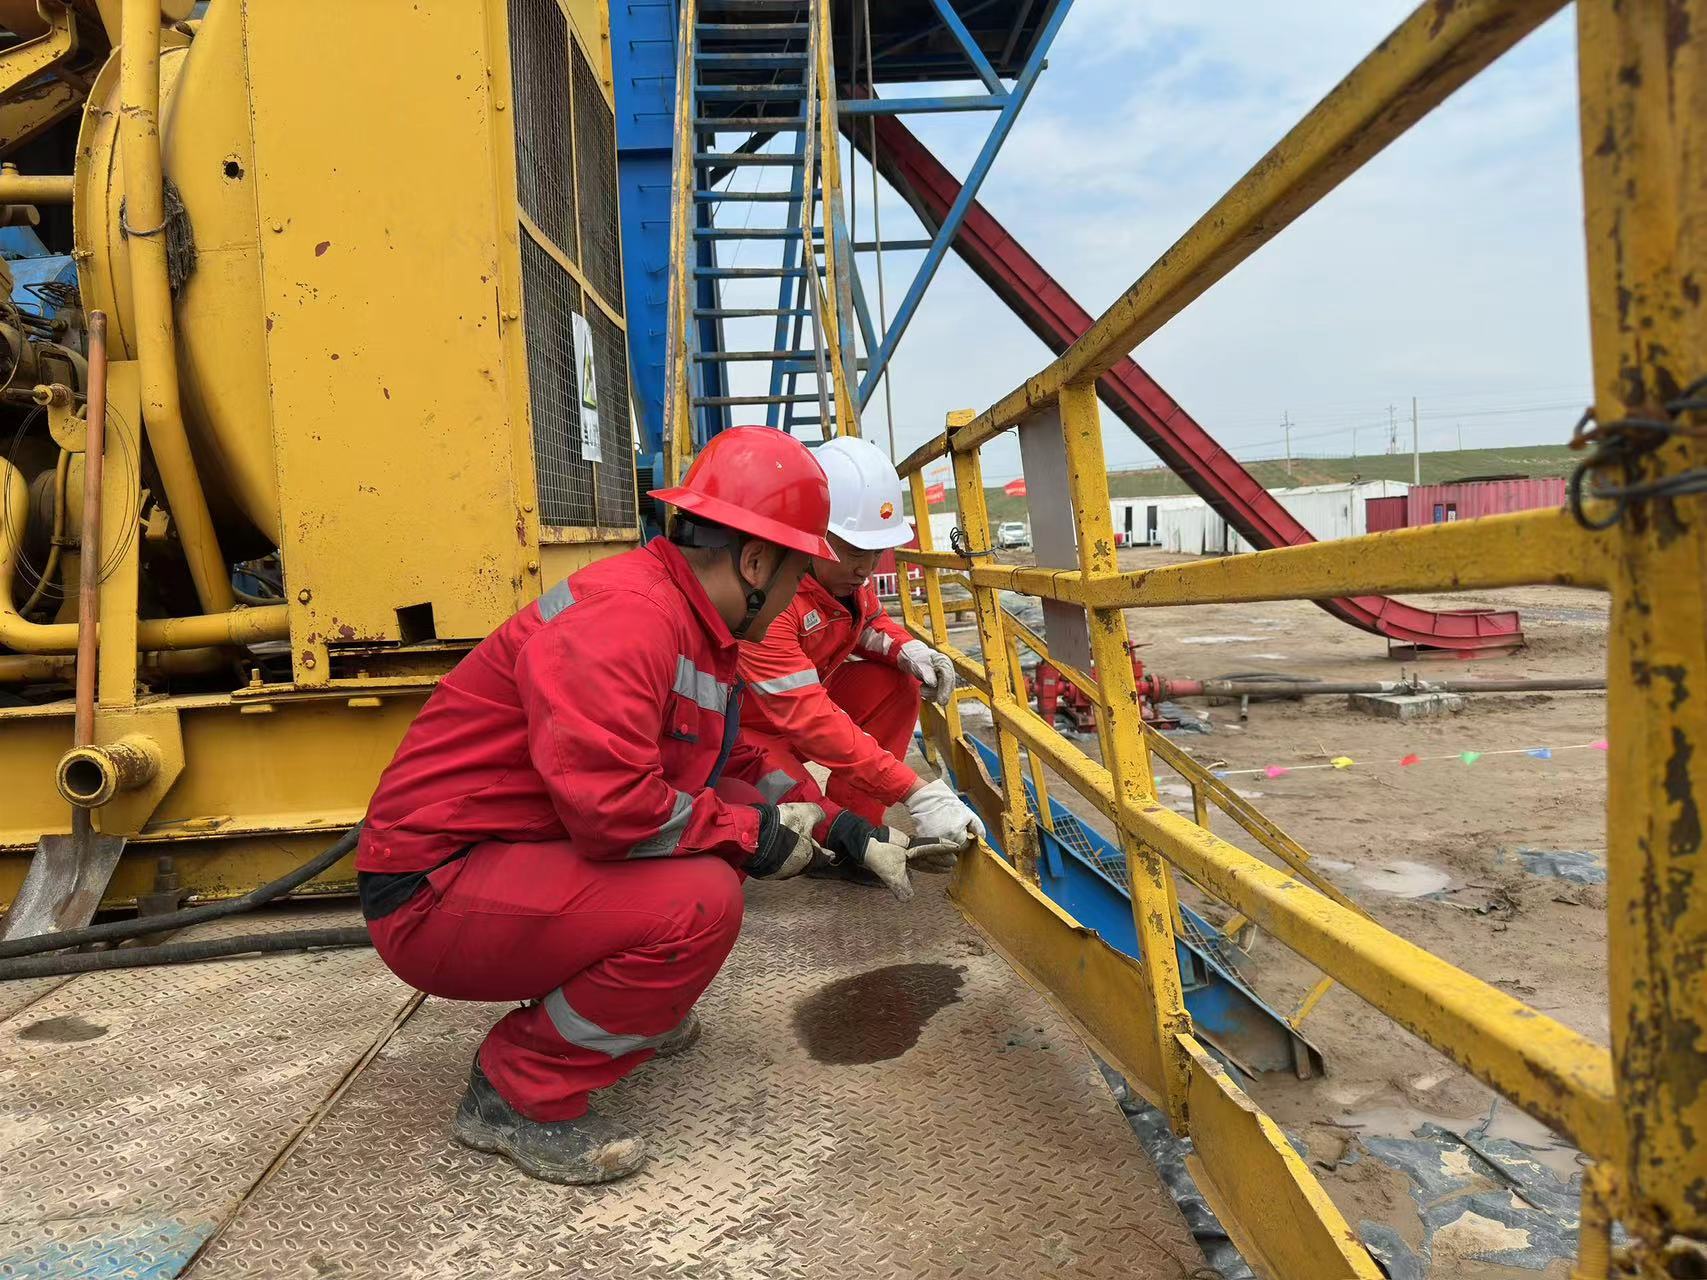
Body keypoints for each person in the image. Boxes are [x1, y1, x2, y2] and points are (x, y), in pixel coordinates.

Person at [354, 427, 938, 1187]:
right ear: (755, 563)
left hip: (501, 850)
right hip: (431, 888)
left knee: (719, 831)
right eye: (797, 573)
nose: (794, 600)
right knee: (700, 901)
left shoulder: (688, 617)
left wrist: (840, 828)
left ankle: (619, 1009)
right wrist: (752, 838)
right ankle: (517, 1090)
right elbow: (612, 811)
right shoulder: (627, 622)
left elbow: (729, 761)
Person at [736, 435, 986, 867]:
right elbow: (809, 718)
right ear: (811, 533)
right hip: (747, 732)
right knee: (806, 817)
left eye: (877, 553)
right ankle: (851, 844)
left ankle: (860, 826)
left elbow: (867, 622)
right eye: (855, 552)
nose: (866, 569)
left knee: (897, 685)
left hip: (793, 715)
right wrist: (915, 791)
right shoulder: (771, 601)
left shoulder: (842, 582)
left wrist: (909, 651)